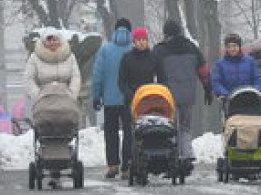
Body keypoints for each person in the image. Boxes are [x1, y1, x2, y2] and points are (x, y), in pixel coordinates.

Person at [153, 20, 211, 171]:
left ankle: (171, 158)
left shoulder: (160, 50)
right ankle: (186, 155)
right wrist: (208, 88)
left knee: (169, 127)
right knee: (185, 126)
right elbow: (203, 70)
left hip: (167, 97)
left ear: (166, 34)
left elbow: (149, 70)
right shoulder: (192, 48)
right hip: (187, 95)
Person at [92, 18, 134, 178]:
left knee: (111, 133)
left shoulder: (105, 50)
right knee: (130, 133)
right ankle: (127, 167)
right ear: (130, 31)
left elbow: (97, 76)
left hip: (109, 100)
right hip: (130, 100)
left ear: (115, 31)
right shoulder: (134, 49)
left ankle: (113, 165)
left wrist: (97, 96)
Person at [23, 28, 82, 105]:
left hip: (66, 98)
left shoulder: (70, 56)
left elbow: (75, 76)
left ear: (60, 41)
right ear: (44, 42)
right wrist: (38, 95)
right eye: (49, 40)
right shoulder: (34, 57)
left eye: (54, 40)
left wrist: (72, 94)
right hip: (43, 99)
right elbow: (29, 78)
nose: (52, 42)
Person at [118, 26, 164, 105]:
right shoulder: (127, 58)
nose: (141, 42)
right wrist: (132, 95)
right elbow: (121, 82)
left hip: (150, 99)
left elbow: (162, 78)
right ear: (134, 42)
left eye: (144, 39)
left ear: (147, 41)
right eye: (138, 40)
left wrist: (158, 93)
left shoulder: (153, 57)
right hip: (131, 100)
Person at [211, 33, 261, 101]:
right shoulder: (220, 64)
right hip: (229, 101)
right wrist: (226, 94)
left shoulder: (250, 62)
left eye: (234, 46)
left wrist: (255, 92)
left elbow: (258, 79)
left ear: (239, 46)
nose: (232, 49)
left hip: (250, 100)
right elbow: (216, 82)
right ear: (226, 48)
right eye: (229, 47)